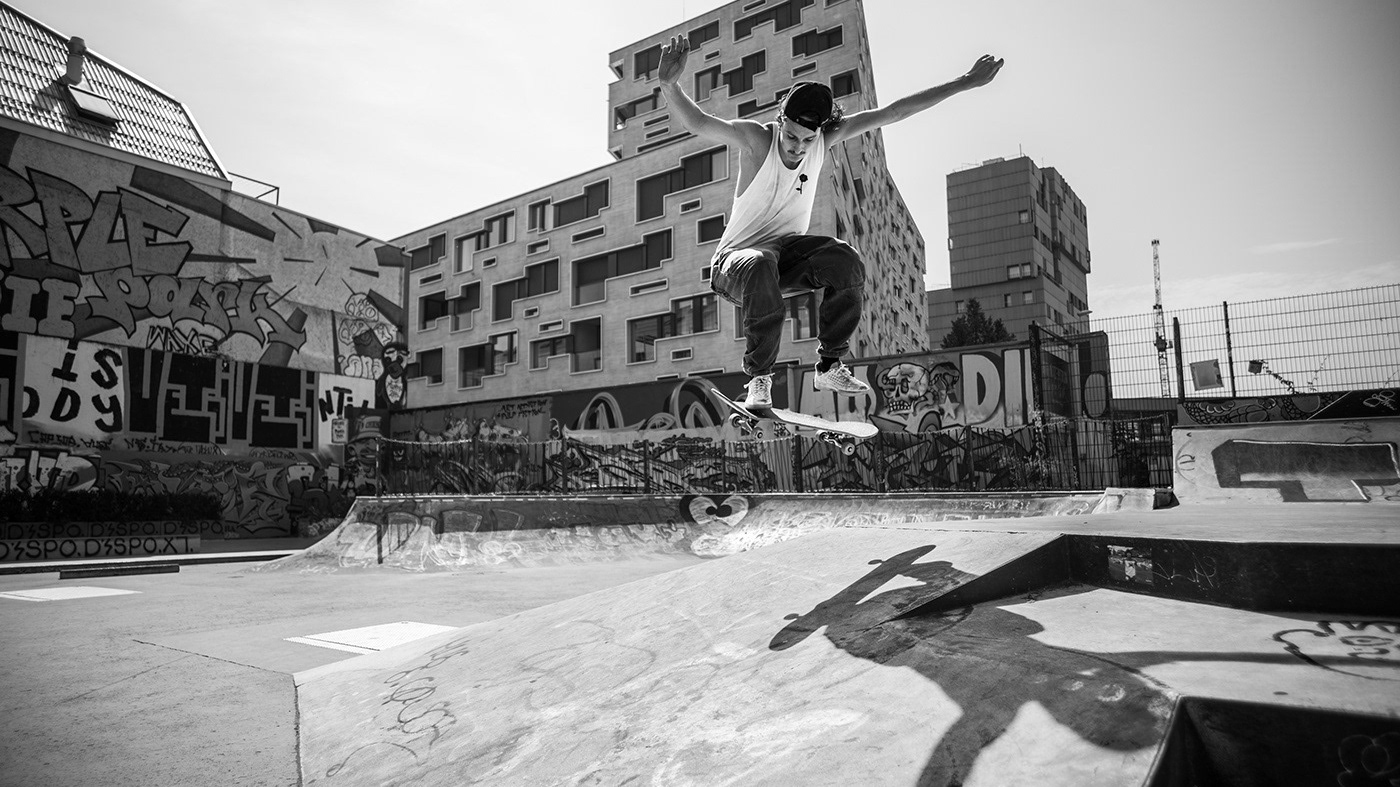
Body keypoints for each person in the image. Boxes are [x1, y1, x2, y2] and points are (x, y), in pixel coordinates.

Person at [658, 35, 1003, 408]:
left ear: (819, 133)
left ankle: (829, 365)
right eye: (791, 137)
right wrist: (669, 85)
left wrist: (965, 82)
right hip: (734, 265)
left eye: (807, 141)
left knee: (846, 259)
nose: (797, 147)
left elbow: (893, 113)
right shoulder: (756, 138)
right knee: (760, 261)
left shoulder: (824, 140)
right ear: (781, 121)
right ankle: (759, 379)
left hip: (784, 261)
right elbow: (700, 122)